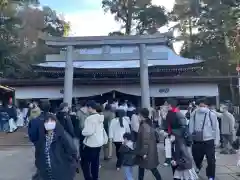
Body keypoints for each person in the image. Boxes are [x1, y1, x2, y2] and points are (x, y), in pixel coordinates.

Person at [35, 113, 77, 180]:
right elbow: (38, 155)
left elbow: (72, 152)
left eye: (52, 121)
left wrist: (71, 167)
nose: (49, 123)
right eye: (47, 121)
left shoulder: (63, 136)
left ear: (56, 122)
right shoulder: (41, 139)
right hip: (46, 173)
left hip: (61, 173)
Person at [189, 99, 220, 180]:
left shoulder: (211, 114)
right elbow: (191, 127)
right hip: (197, 141)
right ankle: (198, 166)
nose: (202, 108)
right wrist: (190, 138)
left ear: (207, 106)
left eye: (204, 106)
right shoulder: (194, 113)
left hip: (209, 141)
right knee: (196, 157)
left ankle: (211, 176)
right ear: (198, 106)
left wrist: (216, 140)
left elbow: (216, 128)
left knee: (211, 160)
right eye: (200, 106)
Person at [81, 100, 108, 180]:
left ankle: (88, 178)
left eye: (87, 108)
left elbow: (88, 132)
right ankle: (95, 177)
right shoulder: (100, 117)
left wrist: (83, 131)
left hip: (91, 144)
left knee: (84, 162)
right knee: (95, 162)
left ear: (90, 108)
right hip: (99, 143)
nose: (86, 109)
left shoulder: (89, 119)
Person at [135, 108, 162, 180]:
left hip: (146, 152)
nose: (138, 116)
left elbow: (145, 141)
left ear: (141, 116)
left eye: (138, 115)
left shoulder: (144, 126)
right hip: (149, 151)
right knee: (142, 167)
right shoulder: (148, 123)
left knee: (152, 168)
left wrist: (144, 153)